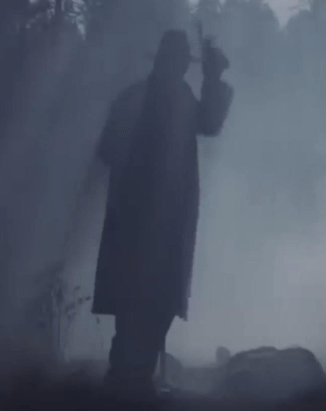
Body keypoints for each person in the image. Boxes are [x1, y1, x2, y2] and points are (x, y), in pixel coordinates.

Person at [91, 28, 233, 398]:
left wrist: (213, 78)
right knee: (150, 297)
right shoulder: (165, 98)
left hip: (150, 215)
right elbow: (209, 123)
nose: (182, 67)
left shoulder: (139, 97)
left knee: (147, 297)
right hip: (153, 217)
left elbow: (106, 151)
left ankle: (130, 376)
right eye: (181, 60)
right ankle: (130, 377)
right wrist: (213, 78)